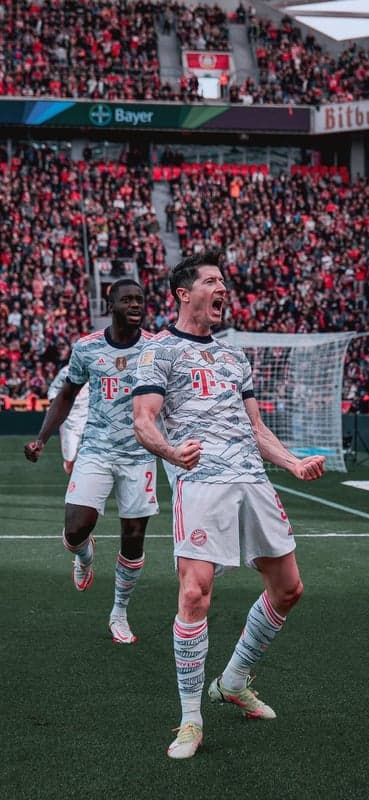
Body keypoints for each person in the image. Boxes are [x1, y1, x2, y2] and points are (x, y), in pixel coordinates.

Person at [132, 250, 325, 759]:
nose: (223, 289)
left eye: (224, 282)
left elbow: (256, 428)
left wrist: (292, 462)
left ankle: (234, 679)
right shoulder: (158, 351)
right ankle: (190, 719)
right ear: (183, 292)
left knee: (289, 589)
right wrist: (172, 452)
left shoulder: (235, 357)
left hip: (252, 480)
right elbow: (144, 420)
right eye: (213, 281)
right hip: (200, 484)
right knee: (195, 593)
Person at [24, 278, 159, 644]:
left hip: (139, 455)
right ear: (110, 305)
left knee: (133, 537)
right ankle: (84, 556)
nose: (135, 304)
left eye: (140, 299)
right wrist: (42, 438)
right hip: (96, 449)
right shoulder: (87, 349)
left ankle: (119, 612)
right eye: (127, 300)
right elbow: (67, 394)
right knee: (75, 528)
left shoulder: (156, 348)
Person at [47, 364, 89, 474]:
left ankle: (82, 487)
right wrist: (56, 406)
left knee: (91, 460)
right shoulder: (65, 372)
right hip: (69, 422)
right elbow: (53, 390)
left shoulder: (94, 369)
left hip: (88, 420)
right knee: (70, 464)